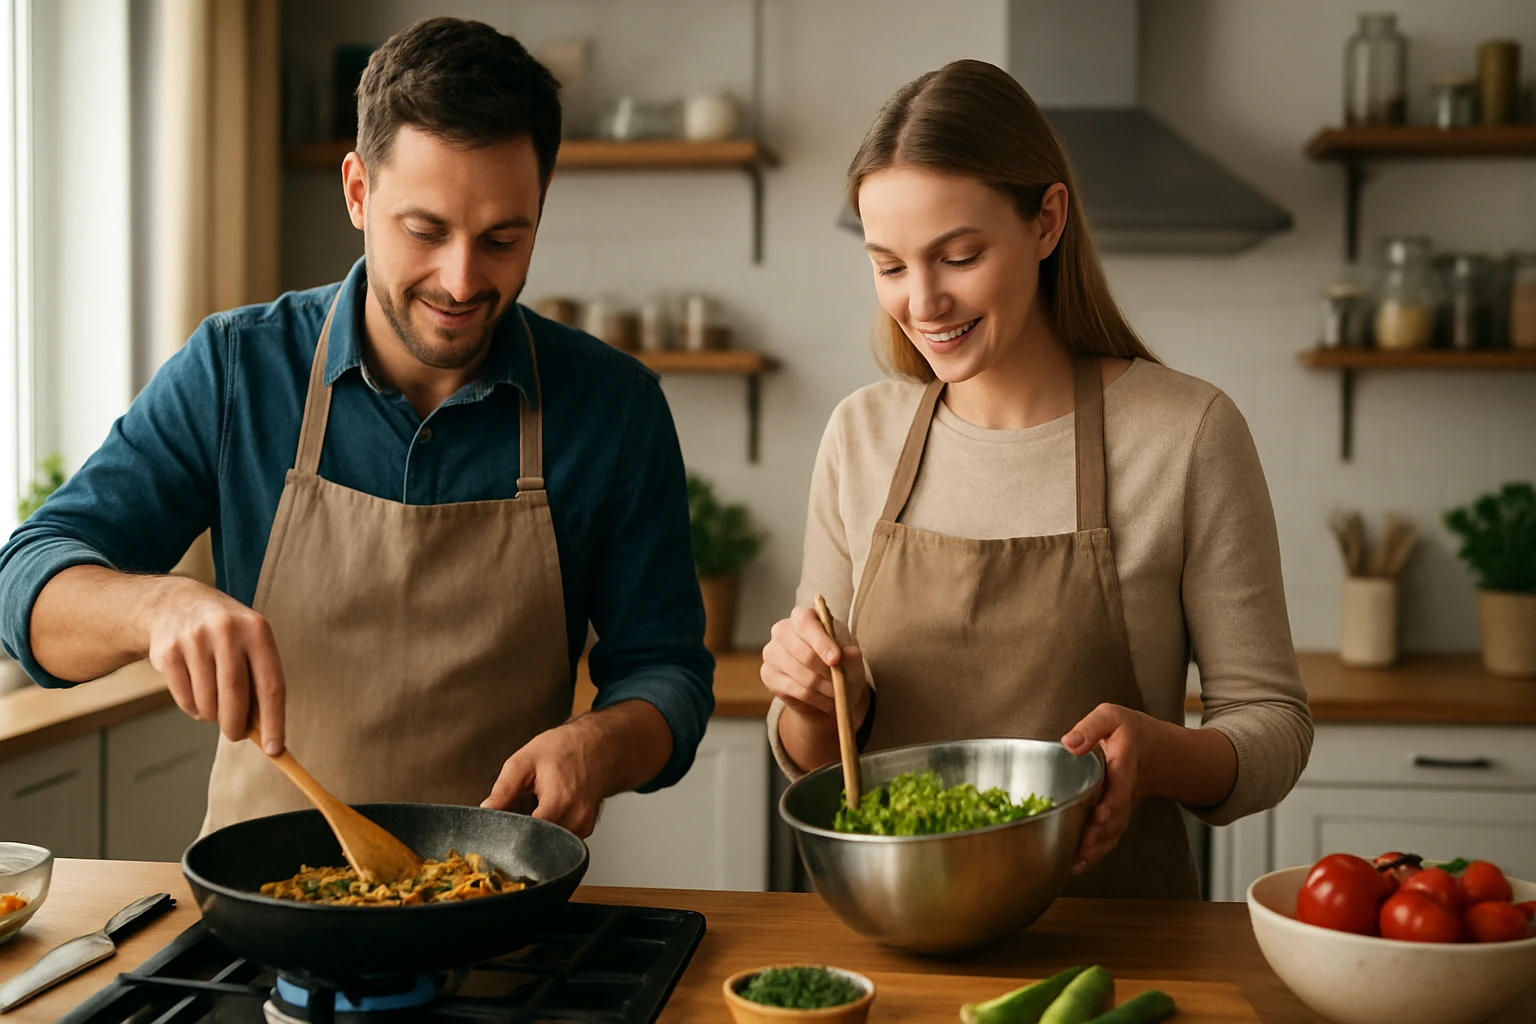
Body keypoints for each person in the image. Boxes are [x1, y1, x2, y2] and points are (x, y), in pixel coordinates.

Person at [0, 17, 714, 838]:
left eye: (503, 239)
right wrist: (155, 609)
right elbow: (26, 582)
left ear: (540, 207)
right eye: (425, 231)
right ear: (357, 192)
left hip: (504, 917)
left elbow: (667, 674)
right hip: (263, 919)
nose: (461, 279)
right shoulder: (237, 371)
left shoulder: (612, 411)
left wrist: (600, 741)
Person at [760, 60, 1312, 899]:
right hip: (901, 935)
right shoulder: (859, 436)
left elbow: (1273, 728)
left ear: (1048, 221)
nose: (923, 302)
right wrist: (809, 694)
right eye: (891, 265)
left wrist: (1160, 754)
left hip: (1117, 949)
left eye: (958, 255)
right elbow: (811, 753)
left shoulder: (1186, 435)